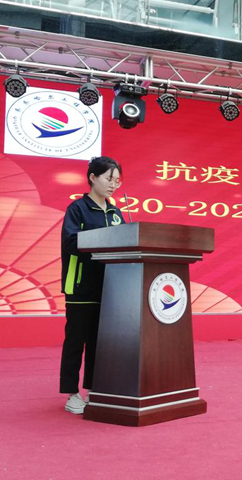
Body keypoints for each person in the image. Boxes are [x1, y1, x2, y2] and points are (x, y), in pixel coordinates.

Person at [59, 156, 125, 414]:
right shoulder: (78, 209)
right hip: (80, 286)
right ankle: (71, 394)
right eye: (109, 179)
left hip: (109, 288)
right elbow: (70, 241)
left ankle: (93, 389)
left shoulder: (116, 213)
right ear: (93, 177)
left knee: (99, 343)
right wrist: (106, 241)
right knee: (75, 341)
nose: (113, 185)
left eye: (117, 181)